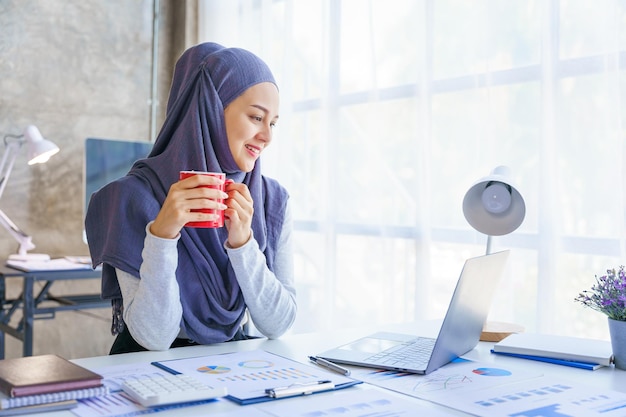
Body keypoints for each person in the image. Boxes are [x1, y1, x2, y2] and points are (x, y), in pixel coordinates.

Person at [85, 42, 296, 354]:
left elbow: (279, 325)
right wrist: (163, 235)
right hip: (144, 370)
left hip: (227, 367)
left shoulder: (272, 200)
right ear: (209, 109)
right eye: (256, 117)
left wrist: (243, 243)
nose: (267, 136)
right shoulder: (131, 197)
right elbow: (154, 337)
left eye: (273, 122)